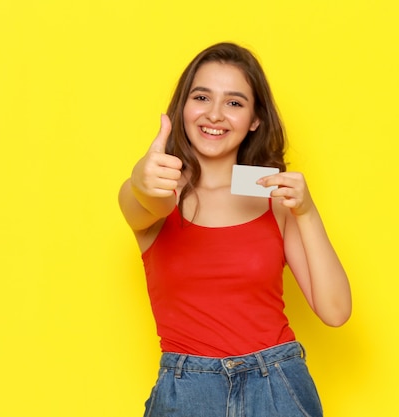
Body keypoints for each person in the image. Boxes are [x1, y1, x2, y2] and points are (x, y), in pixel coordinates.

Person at [118, 42, 351, 417]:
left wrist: (306, 212)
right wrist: (143, 177)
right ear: (182, 108)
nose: (215, 114)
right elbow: (147, 198)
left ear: (255, 118)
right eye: (202, 97)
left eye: (234, 103)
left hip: (276, 384)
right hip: (186, 390)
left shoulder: (272, 196)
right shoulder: (161, 192)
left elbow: (336, 311)